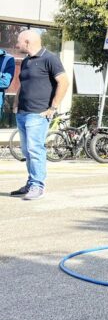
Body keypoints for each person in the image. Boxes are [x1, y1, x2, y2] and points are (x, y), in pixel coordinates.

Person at [10, 30, 69, 201]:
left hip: (38, 114)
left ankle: (38, 186)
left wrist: (53, 108)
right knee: (27, 151)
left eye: (19, 41)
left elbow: (64, 82)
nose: (17, 45)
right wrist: (15, 103)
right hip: (22, 113)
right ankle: (31, 183)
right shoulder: (26, 61)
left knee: (35, 150)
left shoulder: (50, 59)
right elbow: (23, 85)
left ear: (27, 42)